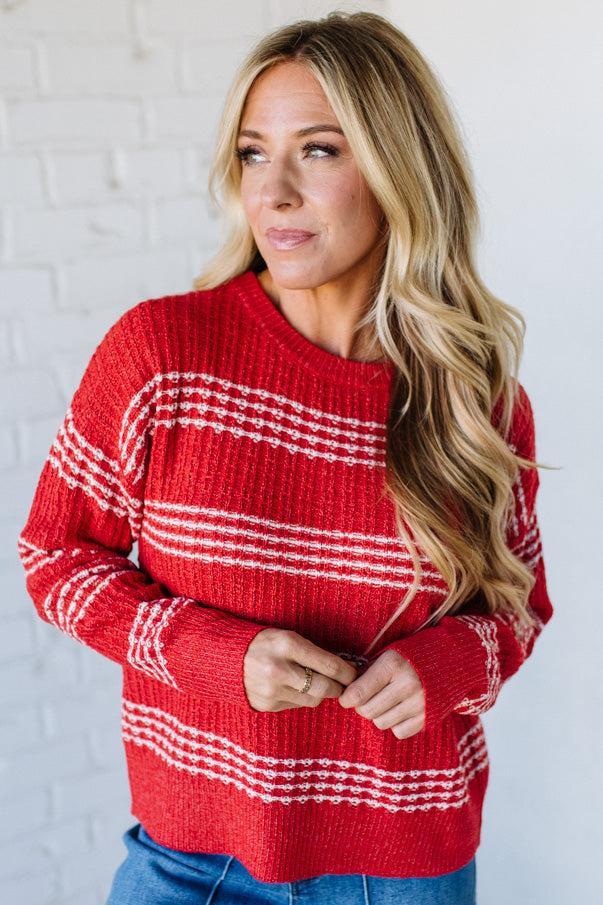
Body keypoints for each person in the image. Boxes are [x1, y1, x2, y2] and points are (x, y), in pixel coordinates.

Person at [17, 11, 554, 905]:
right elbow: (54, 556)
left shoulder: (475, 398)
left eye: (317, 150)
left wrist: (446, 666)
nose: (271, 192)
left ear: (397, 168)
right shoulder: (161, 353)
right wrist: (210, 655)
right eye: (253, 153)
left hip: (403, 870)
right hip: (188, 861)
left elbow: (518, 607)